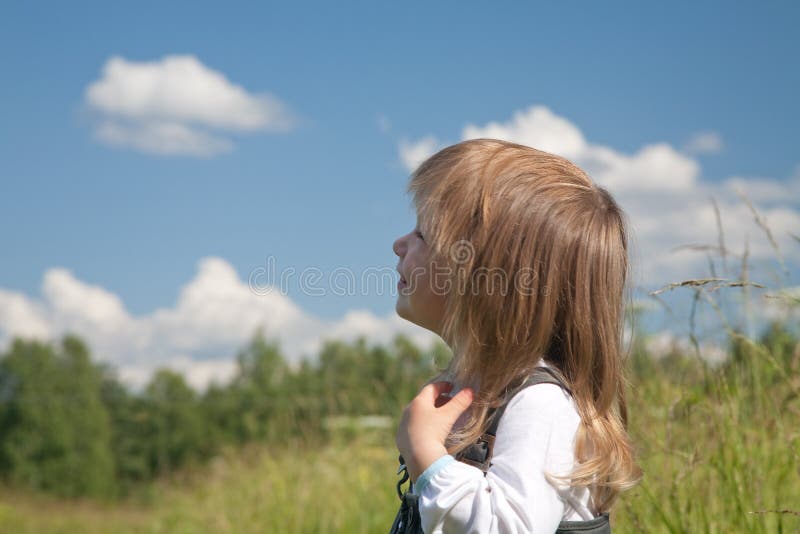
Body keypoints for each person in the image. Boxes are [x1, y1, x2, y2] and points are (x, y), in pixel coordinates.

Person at [391, 138, 643, 533]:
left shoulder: (539, 404)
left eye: (423, 234)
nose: (399, 244)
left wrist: (425, 452)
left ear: (486, 277)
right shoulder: (481, 392)